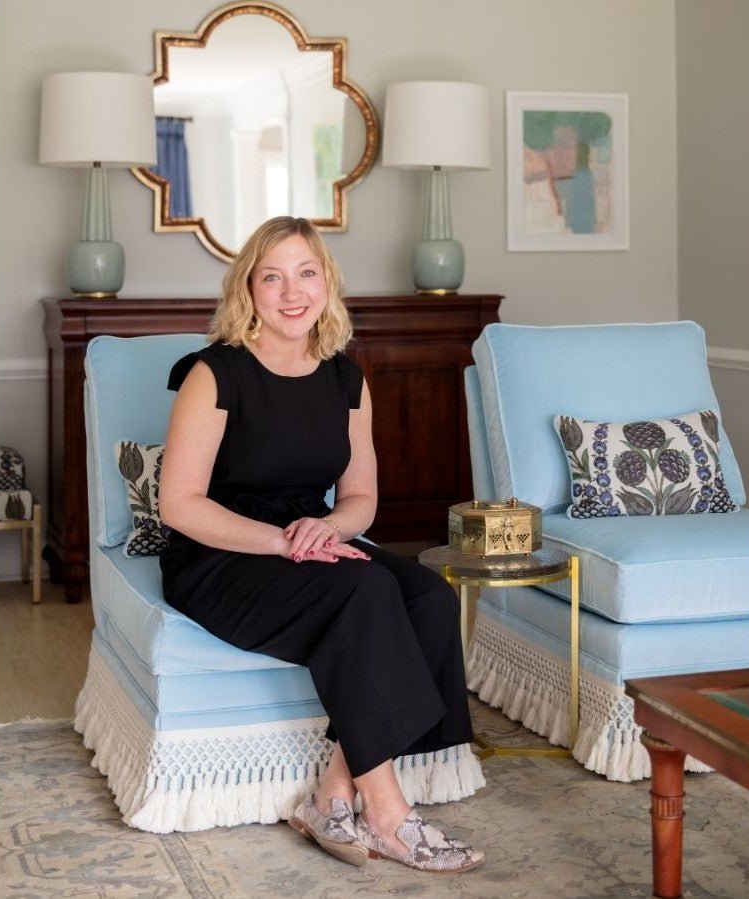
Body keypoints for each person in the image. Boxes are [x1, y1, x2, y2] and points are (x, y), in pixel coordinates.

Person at [158, 216, 484, 873]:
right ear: (248, 289)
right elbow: (180, 503)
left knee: (427, 594)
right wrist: (282, 543)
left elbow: (360, 497)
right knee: (364, 588)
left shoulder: (346, 379)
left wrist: (328, 529)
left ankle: (332, 793)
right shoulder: (213, 373)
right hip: (222, 553)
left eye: (306, 273)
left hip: (309, 535)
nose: (291, 292)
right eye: (272, 277)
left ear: (327, 282)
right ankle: (387, 814)